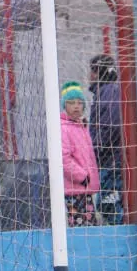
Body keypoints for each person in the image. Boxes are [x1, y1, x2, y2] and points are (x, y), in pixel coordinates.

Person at [88, 54, 123, 225]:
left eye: (93, 70)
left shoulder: (108, 92)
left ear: (98, 72)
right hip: (109, 160)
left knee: (107, 203)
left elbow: (111, 125)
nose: (90, 75)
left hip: (111, 161)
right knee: (107, 202)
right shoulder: (105, 92)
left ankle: (126, 229)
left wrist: (96, 147)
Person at [59, 81, 100, 227]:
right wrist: (82, 176)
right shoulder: (63, 128)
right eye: (71, 102)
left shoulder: (81, 127)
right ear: (65, 105)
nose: (76, 106)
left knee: (91, 226)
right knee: (79, 228)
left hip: (84, 190)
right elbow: (63, 158)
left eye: (79, 102)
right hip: (74, 190)